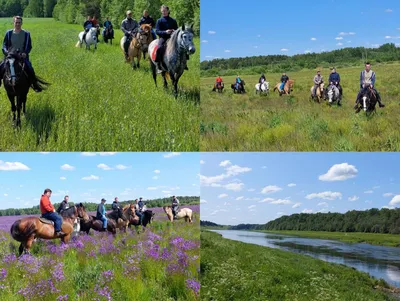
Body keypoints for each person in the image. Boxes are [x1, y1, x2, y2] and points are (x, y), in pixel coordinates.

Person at [0, 16, 42, 92]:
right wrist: (7, 52)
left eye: (19, 22)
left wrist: (25, 53)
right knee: (1, 67)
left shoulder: (26, 34)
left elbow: (29, 46)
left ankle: (34, 85)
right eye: (16, 22)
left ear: (21, 23)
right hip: (10, 56)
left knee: (30, 68)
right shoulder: (8, 33)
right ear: (13, 23)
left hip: (21, 57)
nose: (18, 24)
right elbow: (4, 45)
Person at [155, 5, 179, 72]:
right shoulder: (159, 21)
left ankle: (184, 63)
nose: (164, 12)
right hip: (163, 38)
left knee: (182, 46)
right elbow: (157, 31)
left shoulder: (173, 20)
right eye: (162, 11)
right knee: (159, 48)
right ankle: (158, 65)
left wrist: (174, 31)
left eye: (165, 11)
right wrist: (165, 32)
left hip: (173, 38)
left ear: (168, 11)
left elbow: (177, 30)